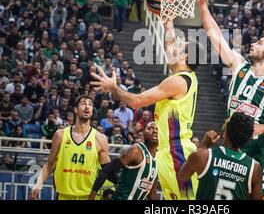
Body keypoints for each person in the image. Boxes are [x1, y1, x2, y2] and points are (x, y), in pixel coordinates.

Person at [90, 19, 202, 200]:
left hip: (176, 151)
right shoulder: (187, 78)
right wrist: (168, 24)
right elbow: (170, 44)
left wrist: (113, 88)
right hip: (169, 152)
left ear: (184, 57)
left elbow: (136, 101)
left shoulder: (178, 81)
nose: (172, 49)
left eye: (179, 48)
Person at [197, 0, 264, 197]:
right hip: (232, 146)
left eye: (259, 43)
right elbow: (215, 35)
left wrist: (262, 128)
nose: (252, 44)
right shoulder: (239, 65)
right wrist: (202, 5)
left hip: (258, 151)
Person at [30, 96, 111, 200]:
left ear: (92, 111)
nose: (87, 106)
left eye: (90, 104)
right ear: (76, 109)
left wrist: (110, 192)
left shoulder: (100, 139)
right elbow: (49, 165)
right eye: (83, 103)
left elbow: (107, 171)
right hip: (63, 195)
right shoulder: (60, 135)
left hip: (89, 196)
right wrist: (38, 185)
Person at [179, 112, 263, 200]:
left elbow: (182, 176)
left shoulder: (203, 156)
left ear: (225, 131)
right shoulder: (254, 168)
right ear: (248, 138)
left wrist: (203, 146)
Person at [88, 122, 159, 200]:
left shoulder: (157, 160)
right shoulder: (135, 151)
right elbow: (106, 171)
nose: (155, 131)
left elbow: (152, 194)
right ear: (143, 133)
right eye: (150, 128)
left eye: (157, 129)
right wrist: (92, 195)